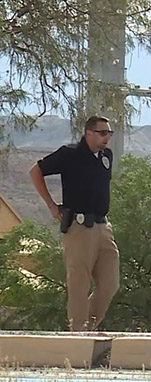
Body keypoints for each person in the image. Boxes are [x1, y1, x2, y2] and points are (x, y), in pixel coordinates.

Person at [29, 116, 120, 331]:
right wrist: (51, 205)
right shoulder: (69, 154)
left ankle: (89, 325)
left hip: (103, 227)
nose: (106, 138)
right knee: (79, 283)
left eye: (109, 133)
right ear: (88, 133)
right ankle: (78, 331)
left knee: (110, 282)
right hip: (79, 227)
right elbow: (36, 171)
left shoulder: (106, 156)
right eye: (102, 133)